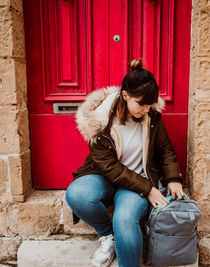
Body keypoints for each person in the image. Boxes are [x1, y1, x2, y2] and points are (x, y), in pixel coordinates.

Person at [66, 59, 184, 267]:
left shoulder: (152, 117)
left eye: (150, 104)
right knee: (77, 194)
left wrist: (173, 178)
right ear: (125, 95)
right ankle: (108, 235)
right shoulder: (99, 121)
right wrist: (148, 189)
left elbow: (165, 149)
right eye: (141, 104)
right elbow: (108, 167)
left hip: (138, 181)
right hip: (107, 178)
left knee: (124, 219)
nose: (146, 109)